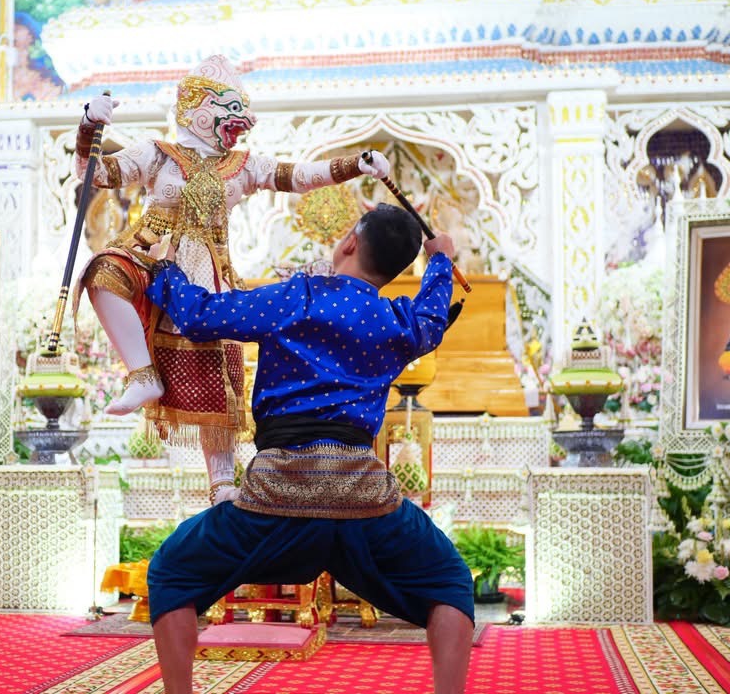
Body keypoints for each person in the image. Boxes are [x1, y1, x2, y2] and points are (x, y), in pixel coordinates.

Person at [143, 202, 474, 694]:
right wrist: (441, 260)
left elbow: (198, 316)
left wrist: (163, 271)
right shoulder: (397, 320)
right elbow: (432, 317)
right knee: (450, 583)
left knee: (172, 571)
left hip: (278, 490)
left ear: (349, 243)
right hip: (363, 496)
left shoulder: (295, 298)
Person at [75, 53, 392, 505]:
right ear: (200, 110)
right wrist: (89, 126)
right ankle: (141, 375)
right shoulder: (157, 154)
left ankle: (222, 483)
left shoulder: (242, 166)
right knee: (102, 271)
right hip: (151, 255)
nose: (243, 126)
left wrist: (355, 164)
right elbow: (96, 173)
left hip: (208, 274)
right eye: (233, 114)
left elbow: (299, 177)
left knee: (216, 365)